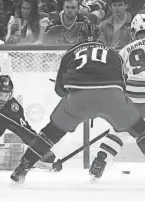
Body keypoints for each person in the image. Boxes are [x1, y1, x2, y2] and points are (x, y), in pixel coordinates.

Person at [10, 21, 145, 184]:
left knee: (51, 132)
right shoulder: (113, 52)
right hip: (113, 97)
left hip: (78, 99)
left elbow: (59, 89)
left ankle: (22, 169)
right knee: (139, 130)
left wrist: (75, 100)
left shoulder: (71, 52)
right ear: (99, 37)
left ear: (79, 37)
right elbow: (122, 84)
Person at [87, 13, 145, 179]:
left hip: (133, 94)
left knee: (121, 130)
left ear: (134, 32)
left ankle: (102, 158)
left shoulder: (126, 50)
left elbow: (117, 76)